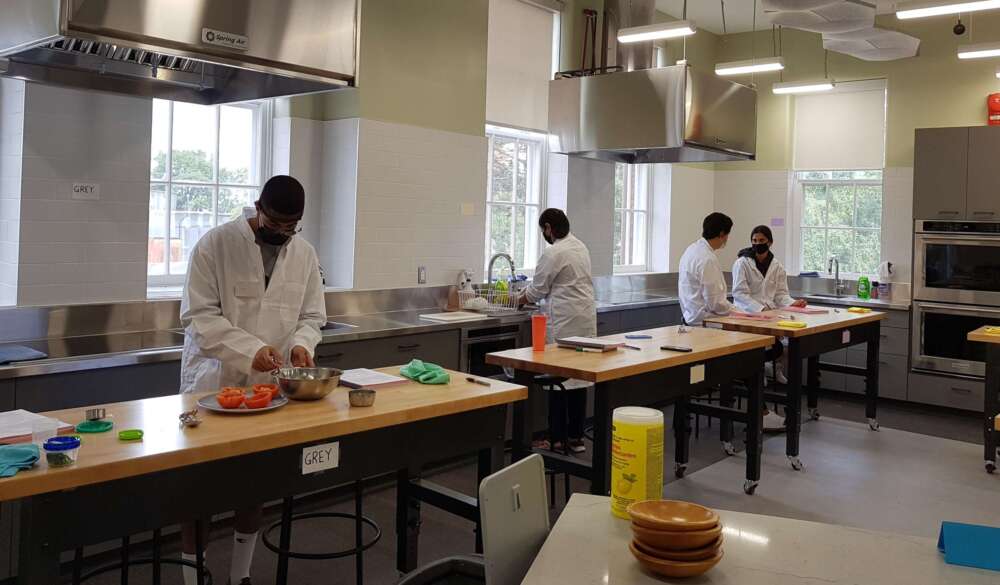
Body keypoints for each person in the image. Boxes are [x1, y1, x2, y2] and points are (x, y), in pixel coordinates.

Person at [178, 175, 326, 585]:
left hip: (268, 391)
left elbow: (312, 316)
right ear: (257, 208)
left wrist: (302, 344)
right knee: (198, 489)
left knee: (254, 484)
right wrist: (249, 351)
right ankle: (193, 578)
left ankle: (240, 576)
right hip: (212, 381)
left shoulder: (304, 253)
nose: (282, 233)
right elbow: (198, 317)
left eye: (290, 227)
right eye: (275, 223)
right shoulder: (216, 244)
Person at [517, 208, 597, 453]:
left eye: (544, 230)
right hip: (583, 317)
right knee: (578, 378)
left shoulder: (554, 252)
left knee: (558, 378)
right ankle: (576, 438)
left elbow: (537, 289)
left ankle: (556, 439)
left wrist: (516, 299)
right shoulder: (580, 246)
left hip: (564, 320)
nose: (545, 234)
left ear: (549, 228)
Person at [732, 225, 807, 430]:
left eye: (761, 240)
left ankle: (760, 369)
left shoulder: (777, 266)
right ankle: (756, 376)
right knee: (754, 355)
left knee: (776, 348)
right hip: (747, 317)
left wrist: (792, 303)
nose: (757, 244)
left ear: (770, 242)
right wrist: (760, 308)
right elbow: (739, 293)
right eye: (754, 240)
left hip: (769, 317)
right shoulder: (742, 263)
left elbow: (781, 294)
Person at [678, 213, 734, 326]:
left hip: (690, 318)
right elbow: (715, 303)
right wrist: (738, 312)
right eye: (727, 235)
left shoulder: (691, 250)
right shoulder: (708, 259)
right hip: (706, 323)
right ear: (722, 233)